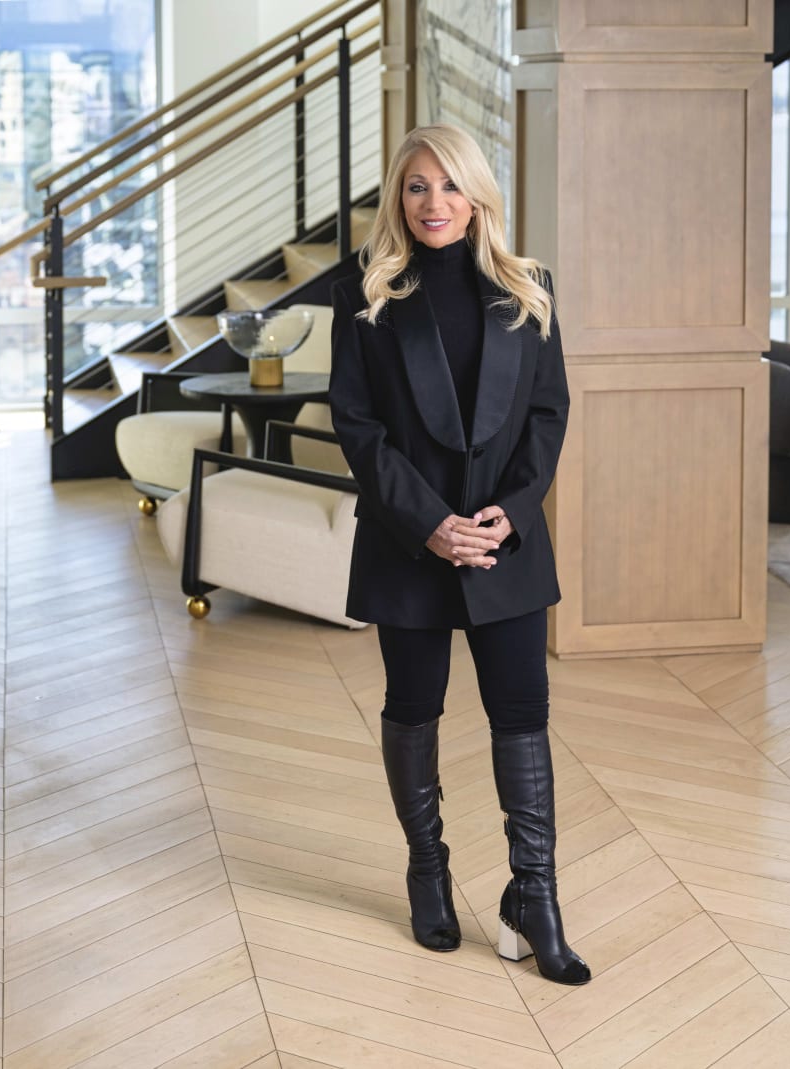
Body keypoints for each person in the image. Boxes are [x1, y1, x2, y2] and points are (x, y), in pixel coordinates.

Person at [328, 123, 590, 986]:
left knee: (523, 710)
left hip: (503, 545)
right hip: (411, 543)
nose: (433, 203)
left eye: (448, 186)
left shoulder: (531, 287)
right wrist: (432, 523)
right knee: (415, 703)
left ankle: (535, 895)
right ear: (398, 199)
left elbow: (547, 416)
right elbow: (358, 429)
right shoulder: (363, 293)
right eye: (416, 187)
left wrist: (506, 516)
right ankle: (427, 869)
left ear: (478, 194)